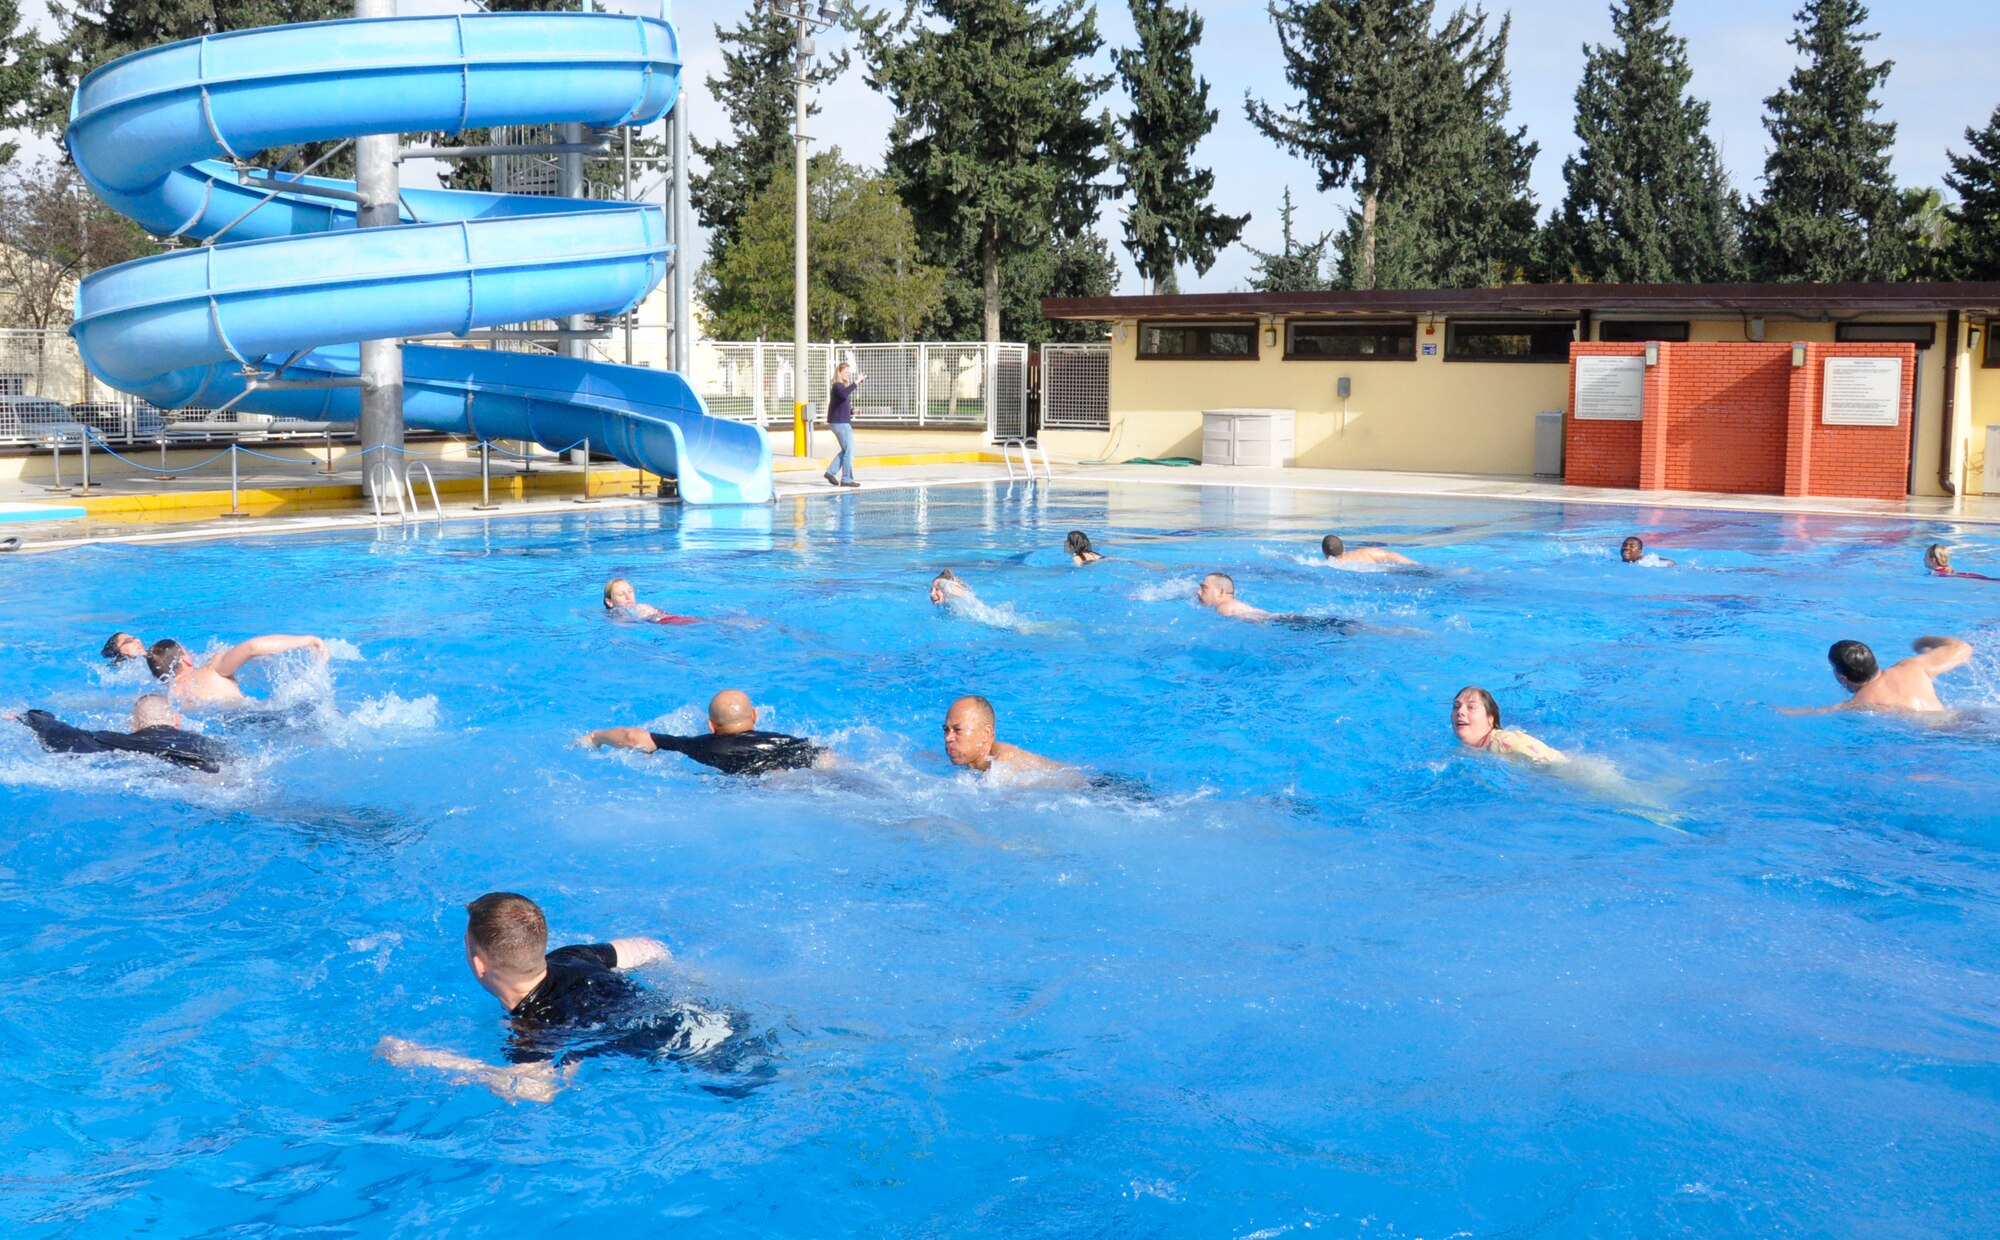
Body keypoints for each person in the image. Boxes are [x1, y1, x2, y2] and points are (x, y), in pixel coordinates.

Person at [376, 892, 693, 1103]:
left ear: (478, 964)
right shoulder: (573, 956)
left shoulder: (534, 1028)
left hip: (698, 1060)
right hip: (703, 1017)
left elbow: (538, 1091)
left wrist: (424, 1058)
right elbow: (651, 949)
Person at [580, 689, 825, 775]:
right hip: (796, 776)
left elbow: (635, 738)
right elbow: (827, 759)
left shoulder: (700, 746)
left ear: (711, 726)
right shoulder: (785, 742)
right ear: (755, 716)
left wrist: (596, 736)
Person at [9, 694, 228, 773]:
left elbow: (55, 734)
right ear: (177, 721)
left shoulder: (111, 740)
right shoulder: (203, 742)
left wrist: (28, 715)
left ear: (133, 725)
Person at [147, 634, 328, 707]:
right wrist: (308, 640)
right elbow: (253, 647)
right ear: (184, 658)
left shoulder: (169, 697)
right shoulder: (212, 668)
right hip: (256, 719)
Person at [1816, 636, 1973, 714]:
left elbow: (1809, 713)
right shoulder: (1911, 667)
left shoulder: (1860, 702)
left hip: (1938, 738)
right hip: (1962, 719)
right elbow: (1962, 648)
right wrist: (1922, 641)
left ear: (1843, 678)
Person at [941, 694, 1065, 777]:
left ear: (986, 734)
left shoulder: (1003, 765)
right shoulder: (975, 761)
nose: (948, 738)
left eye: (958, 730)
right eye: (946, 730)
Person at [1451, 686, 1567, 764]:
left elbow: (1552, 764)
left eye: (1471, 707)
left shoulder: (1504, 742)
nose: (1460, 712)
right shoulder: (1471, 748)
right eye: (1456, 706)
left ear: (1490, 719)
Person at [823, 361, 864, 488]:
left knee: (846, 450)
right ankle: (846, 479)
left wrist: (852, 411)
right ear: (839, 373)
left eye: (849, 371)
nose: (848, 374)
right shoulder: (837, 385)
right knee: (849, 450)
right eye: (845, 371)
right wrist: (856, 382)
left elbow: (839, 404)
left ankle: (830, 472)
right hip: (840, 423)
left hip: (840, 421)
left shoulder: (840, 386)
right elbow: (844, 394)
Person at [603, 578, 698, 625]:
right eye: (621, 594)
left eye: (630, 592)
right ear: (609, 602)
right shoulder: (610, 616)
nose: (628, 597)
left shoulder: (641, 608)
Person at [1196, 572, 1274, 621]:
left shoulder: (1224, 608)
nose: (1198, 592)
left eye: (1204, 588)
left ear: (1221, 592)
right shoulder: (1231, 604)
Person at [1321, 535, 1415, 567]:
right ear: (1344, 547)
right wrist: (1412, 563)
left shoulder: (1326, 565)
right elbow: (1389, 555)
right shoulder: (1365, 553)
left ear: (1325, 554)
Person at [1925, 545, 1998, 581]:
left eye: (1925, 556)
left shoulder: (1936, 574)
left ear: (1933, 560)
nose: (1923, 559)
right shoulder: (1948, 571)